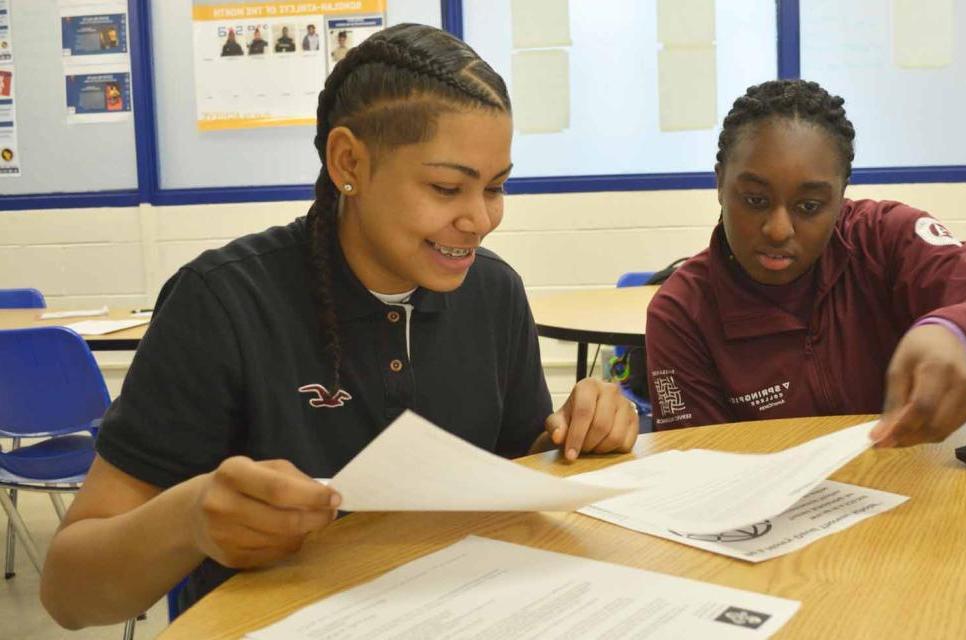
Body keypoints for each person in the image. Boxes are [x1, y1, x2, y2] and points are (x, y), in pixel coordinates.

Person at [39, 23, 638, 629]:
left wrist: (577, 435)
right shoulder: (221, 304)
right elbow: (69, 594)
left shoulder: (494, 292)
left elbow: (514, 487)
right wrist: (190, 517)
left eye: (497, 187)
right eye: (446, 187)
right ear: (349, 161)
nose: (480, 219)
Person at [646, 79, 966, 447]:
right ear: (719, 183)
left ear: (841, 196)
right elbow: (697, 465)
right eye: (754, 200)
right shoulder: (682, 313)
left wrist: (956, 336)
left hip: (918, 499)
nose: (778, 229)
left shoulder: (887, 238)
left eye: (809, 206)